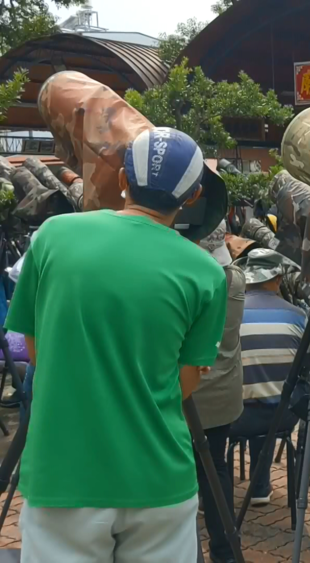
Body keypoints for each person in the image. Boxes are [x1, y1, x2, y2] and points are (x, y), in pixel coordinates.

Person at [5, 127, 228, 562]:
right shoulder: (206, 273)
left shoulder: (53, 236)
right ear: (193, 195)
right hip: (159, 478)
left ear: (123, 180)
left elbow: (37, 350)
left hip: (63, 474)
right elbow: (184, 384)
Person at [229, 249, 309, 502]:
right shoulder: (299, 316)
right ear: (277, 280)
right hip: (283, 418)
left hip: (234, 418)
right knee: (272, 396)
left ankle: (213, 493)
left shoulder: (227, 312)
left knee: (243, 399)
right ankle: (260, 486)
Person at [192, 220, 246, 563]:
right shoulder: (236, 277)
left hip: (190, 394)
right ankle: (225, 550)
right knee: (217, 468)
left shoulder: (190, 278)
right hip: (224, 393)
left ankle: (188, 552)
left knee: (184, 474)